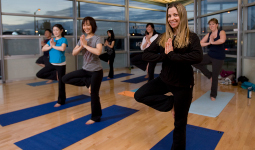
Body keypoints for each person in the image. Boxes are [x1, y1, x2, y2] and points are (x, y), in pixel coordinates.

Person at [134, 2, 203, 150]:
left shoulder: (192, 37)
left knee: (179, 124)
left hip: (183, 85)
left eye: (175, 15)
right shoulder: (163, 37)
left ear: (182, 16)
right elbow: (146, 54)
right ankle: (172, 103)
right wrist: (164, 56)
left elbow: (198, 57)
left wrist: (172, 54)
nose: (172, 18)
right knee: (139, 95)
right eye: (169, 15)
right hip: (165, 79)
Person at [62, 17, 103, 125]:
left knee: (94, 94)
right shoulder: (82, 38)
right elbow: (74, 53)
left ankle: (95, 117)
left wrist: (85, 45)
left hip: (96, 71)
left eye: (88, 25)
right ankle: (87, 82)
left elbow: (98, 51)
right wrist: (81, 45)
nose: (86, 27)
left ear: (93, 26)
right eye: (84, 25)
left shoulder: (98, 38)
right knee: (65, 78)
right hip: (85, 70)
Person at [193, 18, 226, 101]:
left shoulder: (221, 32)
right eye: (210, 24)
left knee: (215, 77)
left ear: (217, 25)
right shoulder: (209, 34)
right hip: (210, 55)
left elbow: (222, 40)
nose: (211, 26)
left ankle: (213, 95)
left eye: (213, 24)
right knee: (195, 61)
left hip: (219, 57)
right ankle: (209, 75)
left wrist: (212, 42)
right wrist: (209, 43)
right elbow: (200, 43)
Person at [36, 24, 68, 107]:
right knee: (39, 74)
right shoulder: (51, 40)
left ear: (61, 30)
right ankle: (55, 75)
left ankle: (61, 101)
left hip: (61, 64)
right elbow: (43, 49)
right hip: (51, 64)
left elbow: (62, 48)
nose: (55, 32)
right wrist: (51, 45)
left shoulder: (63, 40)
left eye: (57, 30)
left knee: (61, 84)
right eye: (54, 30)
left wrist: (53, 46)